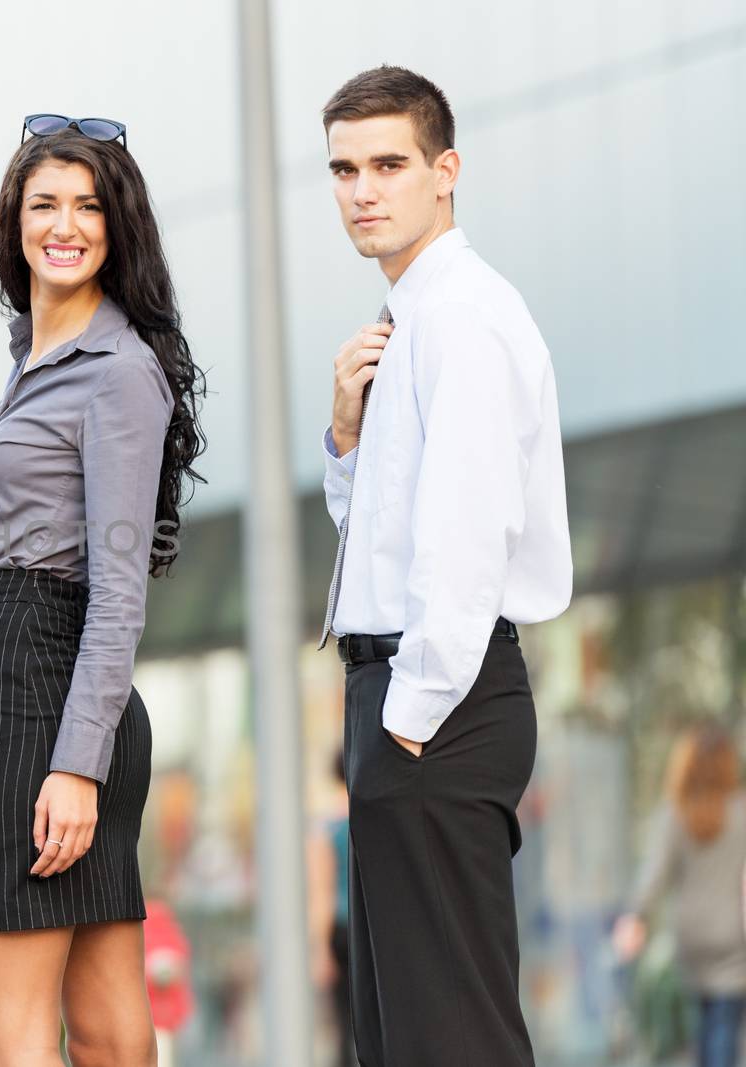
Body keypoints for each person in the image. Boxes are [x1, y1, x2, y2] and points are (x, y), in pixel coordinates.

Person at [318, 66, 572, 1066]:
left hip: (436, 705)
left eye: (388, 163)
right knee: (401, 1037)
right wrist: (344, 435)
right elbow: (383, 534)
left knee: (447, 1037)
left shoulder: (460, 314)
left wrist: (411, 713)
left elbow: (466, 536)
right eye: (342, 168)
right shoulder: (407, 321)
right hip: (407, 698)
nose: (362, 190)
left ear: (445, 170)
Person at [0, 114, 205, 1067]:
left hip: (49, 718)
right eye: (45, 201)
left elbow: (119, 587)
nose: (65, 223)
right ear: (14, 219)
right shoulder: (36, 354)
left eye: (89, 206)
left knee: (10, 1042)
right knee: (108, 1038)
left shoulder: (119, 371)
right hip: (47, 710)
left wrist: (73, 764)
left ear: (117, 227)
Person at [614, 724, 746, 1067]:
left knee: (700, 1032)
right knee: (725, 1029)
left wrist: (636, 916)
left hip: (689, 939)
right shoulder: (741, 813)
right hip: (733, 940)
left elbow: (653, 876)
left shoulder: (675, 814)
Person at [307, 751, 355, 1067]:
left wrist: (320, 950)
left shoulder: (327, 828)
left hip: (340, 929)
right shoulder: (374, 819)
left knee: (344, 1023)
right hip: (375, 929)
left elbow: (321, 892)